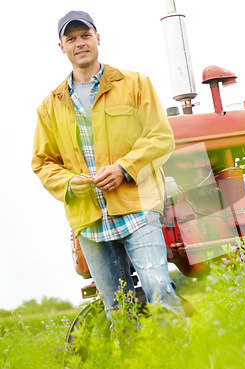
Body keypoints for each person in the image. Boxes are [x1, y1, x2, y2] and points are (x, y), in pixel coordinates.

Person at [32, 10, 184, 320]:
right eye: (71, 38)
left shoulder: (134, 84)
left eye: (85, 35)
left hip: (137, 208)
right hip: (89, 219)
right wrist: (68, 183)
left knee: (160, 289)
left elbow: (160, 138)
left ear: (98, 38)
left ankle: (182, 365)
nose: (80, 43)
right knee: (118, 310)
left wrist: (123, 169)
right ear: (61, 47)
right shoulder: (50, 106)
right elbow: (43, 162)